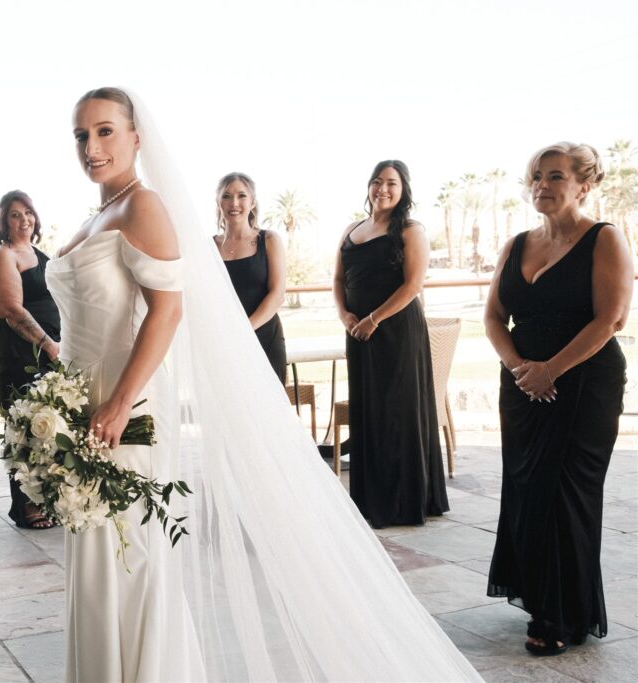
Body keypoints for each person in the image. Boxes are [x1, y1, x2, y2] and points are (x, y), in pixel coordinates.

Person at [47, 87, 480, 681]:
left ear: (136, 137)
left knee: (127, 552)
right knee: (95, 547)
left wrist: (120, 402)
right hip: (81, 398)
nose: (91, 146)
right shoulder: (96, 215)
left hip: (126, 402)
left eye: (105, 131)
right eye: (81, 134)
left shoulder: (142, 207)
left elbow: (167, 311)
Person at [484, 142, 632, 656]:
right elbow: (493, 317)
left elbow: (611, 319)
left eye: (555, 176)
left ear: (584, 185)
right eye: (537, 177)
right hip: (522, 385)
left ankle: (561, 614)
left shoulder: (604, 238)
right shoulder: (516, 244)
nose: (542, 186)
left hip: (584, 385)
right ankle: (541, 597)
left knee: (566, 495)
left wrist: (551, 369)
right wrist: (519, 368)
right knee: (528, 492)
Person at [332, 160, 450, 528]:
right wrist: (346, 316)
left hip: (396, 331)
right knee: (368, 410)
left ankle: (404, 502)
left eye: (391, 183)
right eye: (377, 181)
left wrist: (374, 319)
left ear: (403, 190)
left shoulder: (412, 230)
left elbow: (413, 286)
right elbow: (338, 280)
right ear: (369, 186)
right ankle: (371, 499)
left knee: (398, 410)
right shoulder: (352, 230)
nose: (382, 189)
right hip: (358, 333)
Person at [0, 190, 61, 529]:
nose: (24, 219)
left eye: (28, 212)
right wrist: (48, 345)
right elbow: (11, 310)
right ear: (4, 222)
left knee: (49, 424)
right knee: (24, 425)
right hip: (20, 350)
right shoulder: (4, 255)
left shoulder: (40, 254)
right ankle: (26, 506)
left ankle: (50, 498)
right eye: (15, 214)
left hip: (49, 347)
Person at [214, 172, 287, 383]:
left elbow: (277, 294)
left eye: (242, 195)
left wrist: (244, 330)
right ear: (218, 202)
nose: (234, 203)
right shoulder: (208, 247)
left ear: (253, 202)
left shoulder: (269, 240)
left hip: (265, 337)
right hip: (225, 342)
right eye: (226, 196)